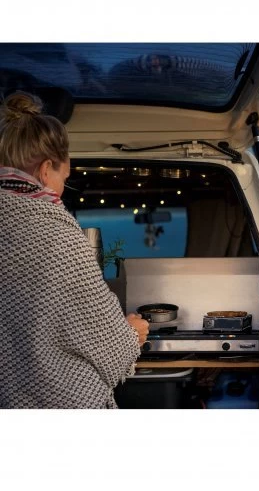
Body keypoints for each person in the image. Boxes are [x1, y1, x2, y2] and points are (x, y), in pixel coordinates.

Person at [0, 91, 149, 408]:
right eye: (63, 179)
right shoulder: (56, 234)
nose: (61, 192)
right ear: (45, 170)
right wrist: (132, 332)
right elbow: (106, 340)